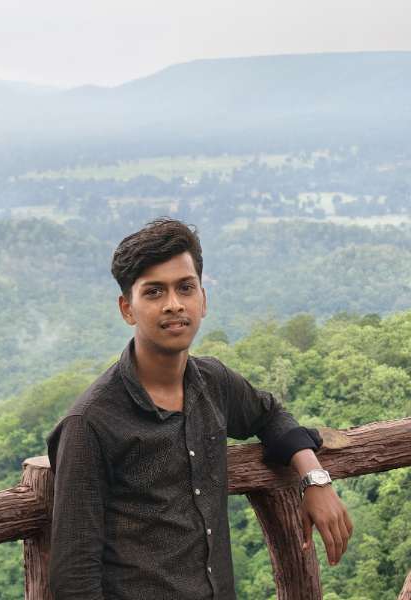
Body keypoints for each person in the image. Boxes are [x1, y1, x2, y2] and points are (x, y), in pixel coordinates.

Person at [47, 218, 353, 599]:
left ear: (203, 300)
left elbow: (270, 415)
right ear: (127, 309)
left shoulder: (213, 383)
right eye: (154, 292)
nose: (174, 304)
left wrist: (314, 478)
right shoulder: (90, 423)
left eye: (185, 288)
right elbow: (74, 580)